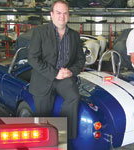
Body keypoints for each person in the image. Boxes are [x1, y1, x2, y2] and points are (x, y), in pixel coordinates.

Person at [28, 0, 85, 139]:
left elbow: (81, 59)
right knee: (43, 116)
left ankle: (65, 136)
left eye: (65, 13)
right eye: (58, 13)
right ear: (51, 14)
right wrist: (55, 74)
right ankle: (43, 141)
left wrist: (71, 71)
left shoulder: (74, 35)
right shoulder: (39, 32)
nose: (62, 16)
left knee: (74, 97)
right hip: (44, 78)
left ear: (68, 15)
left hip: (64, 77)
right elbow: (33, 58)